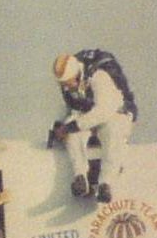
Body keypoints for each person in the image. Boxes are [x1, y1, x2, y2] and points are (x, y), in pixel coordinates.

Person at [50, 50, 137, 204]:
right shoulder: (68, 87)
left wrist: (73, 126)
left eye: (67, 82)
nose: (66, 87)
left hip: (115, 113)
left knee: (112, 132)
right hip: (88, 115)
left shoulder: (99, 77)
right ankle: (80, 177)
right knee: (73, 134)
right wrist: (64, 128)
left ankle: (106, 183)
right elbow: (75, 110)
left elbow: (103, 111)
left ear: (77, 75)